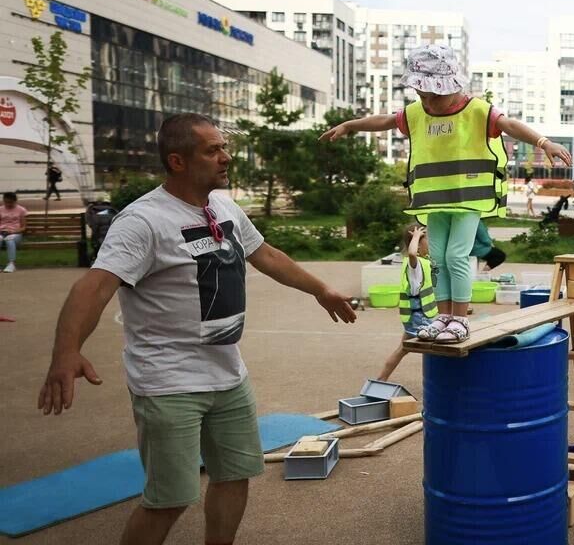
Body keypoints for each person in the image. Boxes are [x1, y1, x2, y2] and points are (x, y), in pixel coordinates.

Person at [37, 113, 357, 545]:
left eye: (224, 147)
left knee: (236, 475)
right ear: (178, 161)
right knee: (168, 499)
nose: (226, 157)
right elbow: (94, 286)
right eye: (213, 150)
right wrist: (66, 352)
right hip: (168, 382)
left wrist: (321, 289)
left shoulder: (223, 207)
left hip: (228, 374)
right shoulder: (143, 221)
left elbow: (266, 255)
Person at [321, 44, 570, 343]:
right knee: (436, 258)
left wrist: (544, 142)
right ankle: (442, 317)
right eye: (422, 95)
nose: (429, 102)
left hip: (468, 198)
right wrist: (350, 125)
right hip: (434, 199)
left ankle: (460, 319)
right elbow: (385, 120)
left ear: (452, 85)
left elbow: (509, 124)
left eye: (434, 95)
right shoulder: (416, 114)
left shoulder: (477, 110)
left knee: (456, 255)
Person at [378, 225, 439, 381]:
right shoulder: (415, 264)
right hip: (421, 320)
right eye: (428, 239)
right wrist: (417, 236)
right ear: (417, 243)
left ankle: (380, 380)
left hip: (417, 317)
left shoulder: (424, 262)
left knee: (401, 350)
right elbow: (412, 253)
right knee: (441, 351)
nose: (431, 243)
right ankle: (440, 386)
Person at [1, 191, 27, 273]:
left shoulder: (21, 210)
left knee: (9, 239)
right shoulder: (0, 209)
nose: (8, 204)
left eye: (10, 202)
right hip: (2, 232)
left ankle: (11, 263)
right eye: (6, 202)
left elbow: (23, 227)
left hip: (15, 234)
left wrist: (13, 231)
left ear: (15, 201)